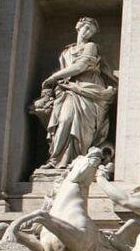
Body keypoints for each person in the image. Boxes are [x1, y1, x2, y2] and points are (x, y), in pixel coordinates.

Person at [35, 17, 117, 169]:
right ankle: (57, 160)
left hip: (87, 89)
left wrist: (53, 77)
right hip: (68, 89)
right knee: (64, 120)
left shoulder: (91, 46)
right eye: (85, 28)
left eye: (91, 31)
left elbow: (81, 66)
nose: (87, 32)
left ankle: (78, 161)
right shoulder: (67, 51)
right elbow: (65, 70)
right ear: (78, 27)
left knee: (80, 126)